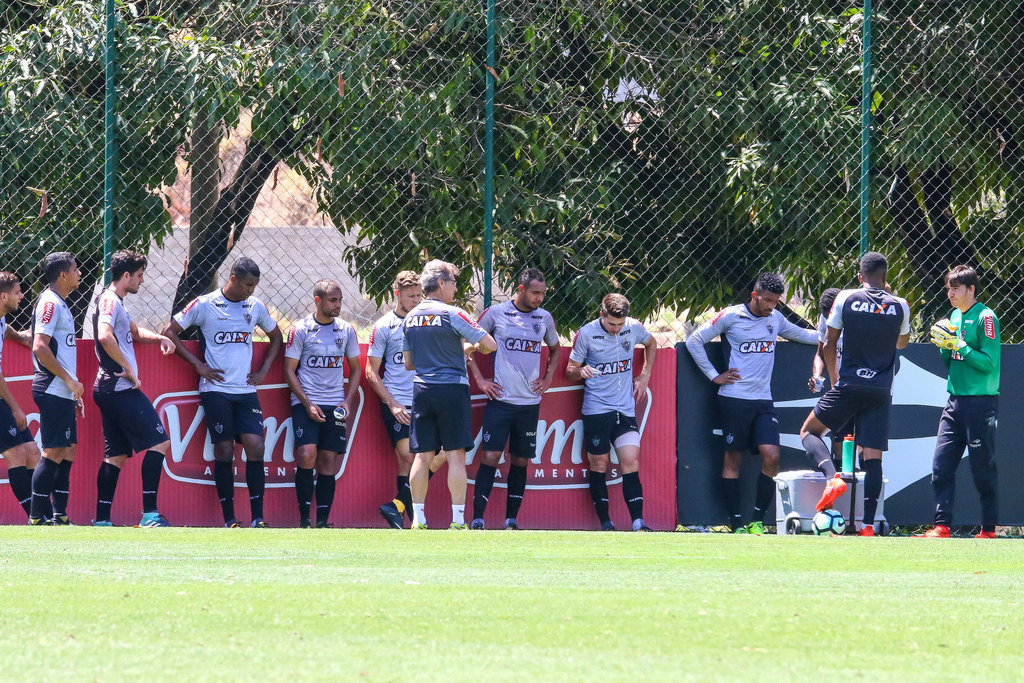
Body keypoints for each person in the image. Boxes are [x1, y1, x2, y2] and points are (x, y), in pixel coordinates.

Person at [686, 273, 820, 534]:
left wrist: (836, 335)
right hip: (733, 400)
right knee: (733, 459)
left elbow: (805, 335)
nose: (771, 306)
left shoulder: (775, 319)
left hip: (763, 401)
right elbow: (694, 341)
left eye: (776, 302)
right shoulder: (731, 316)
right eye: (767, 300)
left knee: (772, 456)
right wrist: (714, 376)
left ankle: (757, 520)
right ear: (754, 295)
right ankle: (736, 522)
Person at [163, 257, 283, 528]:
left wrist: (263, 371)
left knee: (256, 445)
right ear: (232, 279)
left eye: (255, 285)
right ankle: (229, 519)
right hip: (215, 389)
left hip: (245, 390)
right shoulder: (205, 304)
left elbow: (277, 337)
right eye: (247, 285)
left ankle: (258, 518)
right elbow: (169, 331)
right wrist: (198, 365)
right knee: (224, 449)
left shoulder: (255, 307)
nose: (251, 290)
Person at [798, 252, 910, 536]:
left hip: (848, 385)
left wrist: (835, 381)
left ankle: (831, 477)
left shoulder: (846, 298)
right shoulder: (900, 305)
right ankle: (869, 526)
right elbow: (902, 344)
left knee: (809, 432)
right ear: (886, 277)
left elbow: (828, 344)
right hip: (880, 390)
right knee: (873, 456)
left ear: (860, 277)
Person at [403, 260, 496, 530]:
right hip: (453, 388)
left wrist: (451, 350)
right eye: (453, 283)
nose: (455, 289)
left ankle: (418, 520)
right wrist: (468, 347)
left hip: (421, 389)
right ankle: (457, 521)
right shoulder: (454, 314)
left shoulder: (410, 316)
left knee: (422, 455)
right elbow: (490, 345)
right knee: (455, 455)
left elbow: (409, 363)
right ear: (441, 283)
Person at [467, 267, 561, 530]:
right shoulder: (496, 314)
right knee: (490, 457)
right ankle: (478, 519)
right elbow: (468, 345)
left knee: (521, 460)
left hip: (529, 404)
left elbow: (555, 350)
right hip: (501, 401)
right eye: (535, 293)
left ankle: (511, 521)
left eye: (542, 293)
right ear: (520, 290)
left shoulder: (544, 318)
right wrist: (480, 379)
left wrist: (549, 376)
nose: (539, 298)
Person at [90, 251, 177, 527]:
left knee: (115, 455)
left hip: (109, 388)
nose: (142, 280)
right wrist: (126, 367)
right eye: (139, 275)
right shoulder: (109, 301)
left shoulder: (116, 302)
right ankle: (150, 516)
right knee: (160, 442)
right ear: (125, 275)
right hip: (118, 387)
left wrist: (161, 338)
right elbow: (104, 335)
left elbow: (136, 333)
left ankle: (102, 520)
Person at [917, 266, 1000, 539]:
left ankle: (988, 530)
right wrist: (944, 347)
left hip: (980, 404)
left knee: (981, 469)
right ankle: (942, 526)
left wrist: (958, 344)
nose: (950, 294)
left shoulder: (986, 318)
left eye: (956, 289)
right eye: (948, 289)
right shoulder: (952, 316)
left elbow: (988, 364)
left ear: (971, 289)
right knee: (941, 465)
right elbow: (949, 363)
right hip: (955, 403)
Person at [566, 293, 657, 531]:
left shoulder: (633, 327)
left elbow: (651, 342)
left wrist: (645, 374)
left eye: (620, 324)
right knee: (599, 464)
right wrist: (581, 371)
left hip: (625, 408)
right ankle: (606, 523)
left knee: (630, 461)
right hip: (597, 408)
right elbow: (570, 370)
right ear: (601, 315)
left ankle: (638, 523)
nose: (616, 329)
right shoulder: (586, 333)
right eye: (611, 324)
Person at [283, 279, 361, 528]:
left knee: (328, 460)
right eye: (333, 300)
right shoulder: (301, 329)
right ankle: (304, 520)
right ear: (318, 301)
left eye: (340, 300)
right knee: (307, 455)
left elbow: (356, 369)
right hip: (306, 403)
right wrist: (307, 404)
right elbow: (289, 370)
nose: (338, 305)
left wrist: (347, 401)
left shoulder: (346, 330)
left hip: (334, 404)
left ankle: (323, 522)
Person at [28, 251, 84, 526]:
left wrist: (71, 389)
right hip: (51, 387)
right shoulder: (50, 303)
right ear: (62, 275)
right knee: (52, 452)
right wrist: (69, 380)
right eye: (75, 269)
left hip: (61, 389)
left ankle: (60, 516)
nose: (80, 274)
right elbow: (40, 346)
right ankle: (37, 518)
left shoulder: (60, 303)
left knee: (68, 449)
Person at [367, 271, 422, 529]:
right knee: (408, 456)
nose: (416, 300)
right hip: (398, 402)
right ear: (397, 294)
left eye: (419, 295)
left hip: (424, 401)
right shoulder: (383, 326)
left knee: (434, 455)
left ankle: (398, 510)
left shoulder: (425, 322)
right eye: (411, 296)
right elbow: (371, 371)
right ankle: (412, 518)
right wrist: (392, 403)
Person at [0, 272, 39, 518]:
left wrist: (20, 336)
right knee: (16, 453)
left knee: (33, 452)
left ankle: (40, 514)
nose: (22, 296)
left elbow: (6, 329)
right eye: (17, 292)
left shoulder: (2, 320)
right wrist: (15, 407)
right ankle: (36, 517)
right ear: (3, 296)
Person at [806, 287, 849, 470]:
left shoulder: (855, 318)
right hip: (838, 389)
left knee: (859, 445)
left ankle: (859, 493)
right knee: (837, 439)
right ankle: (836, 481)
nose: (829, 321)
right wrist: (817, 375)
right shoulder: (825, 318)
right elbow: (820, 354)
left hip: (856, 385)